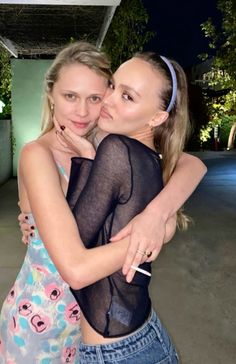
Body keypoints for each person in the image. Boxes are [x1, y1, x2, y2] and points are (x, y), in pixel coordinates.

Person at [0, 41, 206, 364]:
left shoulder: (102, 140)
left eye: (95, 98)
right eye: (70, 96)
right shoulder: (37, 155)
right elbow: (75, 266)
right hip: (40, 326)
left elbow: (191, 164)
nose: (83, 112)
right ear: (51, 95)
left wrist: (157, 213)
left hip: (87, 327)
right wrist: (150, 236)